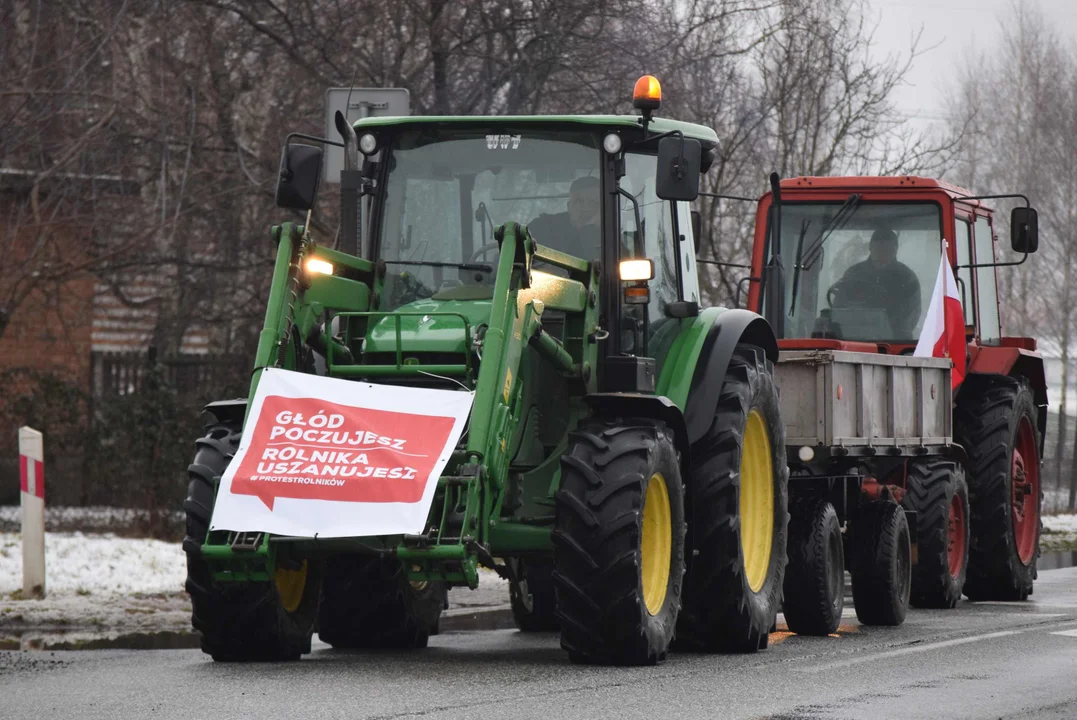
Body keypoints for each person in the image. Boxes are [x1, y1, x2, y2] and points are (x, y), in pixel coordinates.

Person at [829, 227, 921, 339]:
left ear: (895, 249)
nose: (883, 252)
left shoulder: (906, 277)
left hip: (894, 341)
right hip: (853, 338)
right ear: (870, 248)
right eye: (879, 248)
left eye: (887, 249)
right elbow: (839, 305)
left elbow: (912, 313)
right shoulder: (854, 273)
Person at [526, 175, 601, 259]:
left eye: (593, 202)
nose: (585, 208)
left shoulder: (611, 238)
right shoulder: (543, 227)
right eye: (579, 201)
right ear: (569, 206)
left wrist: (588, 230)